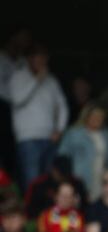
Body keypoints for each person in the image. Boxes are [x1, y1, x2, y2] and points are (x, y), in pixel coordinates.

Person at [9, 44, 68, 188]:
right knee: (32, 181)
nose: (42, 61)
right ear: (30, 59)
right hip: (28, 138)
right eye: (39, 57)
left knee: (48, 180)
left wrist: (60, 129)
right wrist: (36, 80)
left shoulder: (51, 80)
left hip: (50, 137)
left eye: (44, 57)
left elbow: (62, 106)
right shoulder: (18, 77)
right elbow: (18, 99)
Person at [56, 103, 108, 202]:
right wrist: (68, 178)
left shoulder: (106, 134)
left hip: (101, 177)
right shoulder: (74, 133)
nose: (98, 119)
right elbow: (63, 156)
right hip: (80, 177)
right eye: (95, 116)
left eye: (101, 117)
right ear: (87, 116)